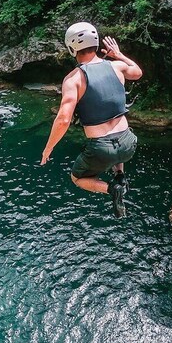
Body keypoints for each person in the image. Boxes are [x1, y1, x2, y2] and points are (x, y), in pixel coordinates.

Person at [41, 22, 143, 218]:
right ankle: (119, 176)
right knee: (118, 151)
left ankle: (112, 190)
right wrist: (118, 54)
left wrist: (49, 148)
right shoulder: (117, 67)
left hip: (101, 148)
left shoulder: (74, 79)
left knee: (77, 177)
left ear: (72, 48)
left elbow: (63, 119)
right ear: (95, 43)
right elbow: (137, 72)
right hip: (129, 144)